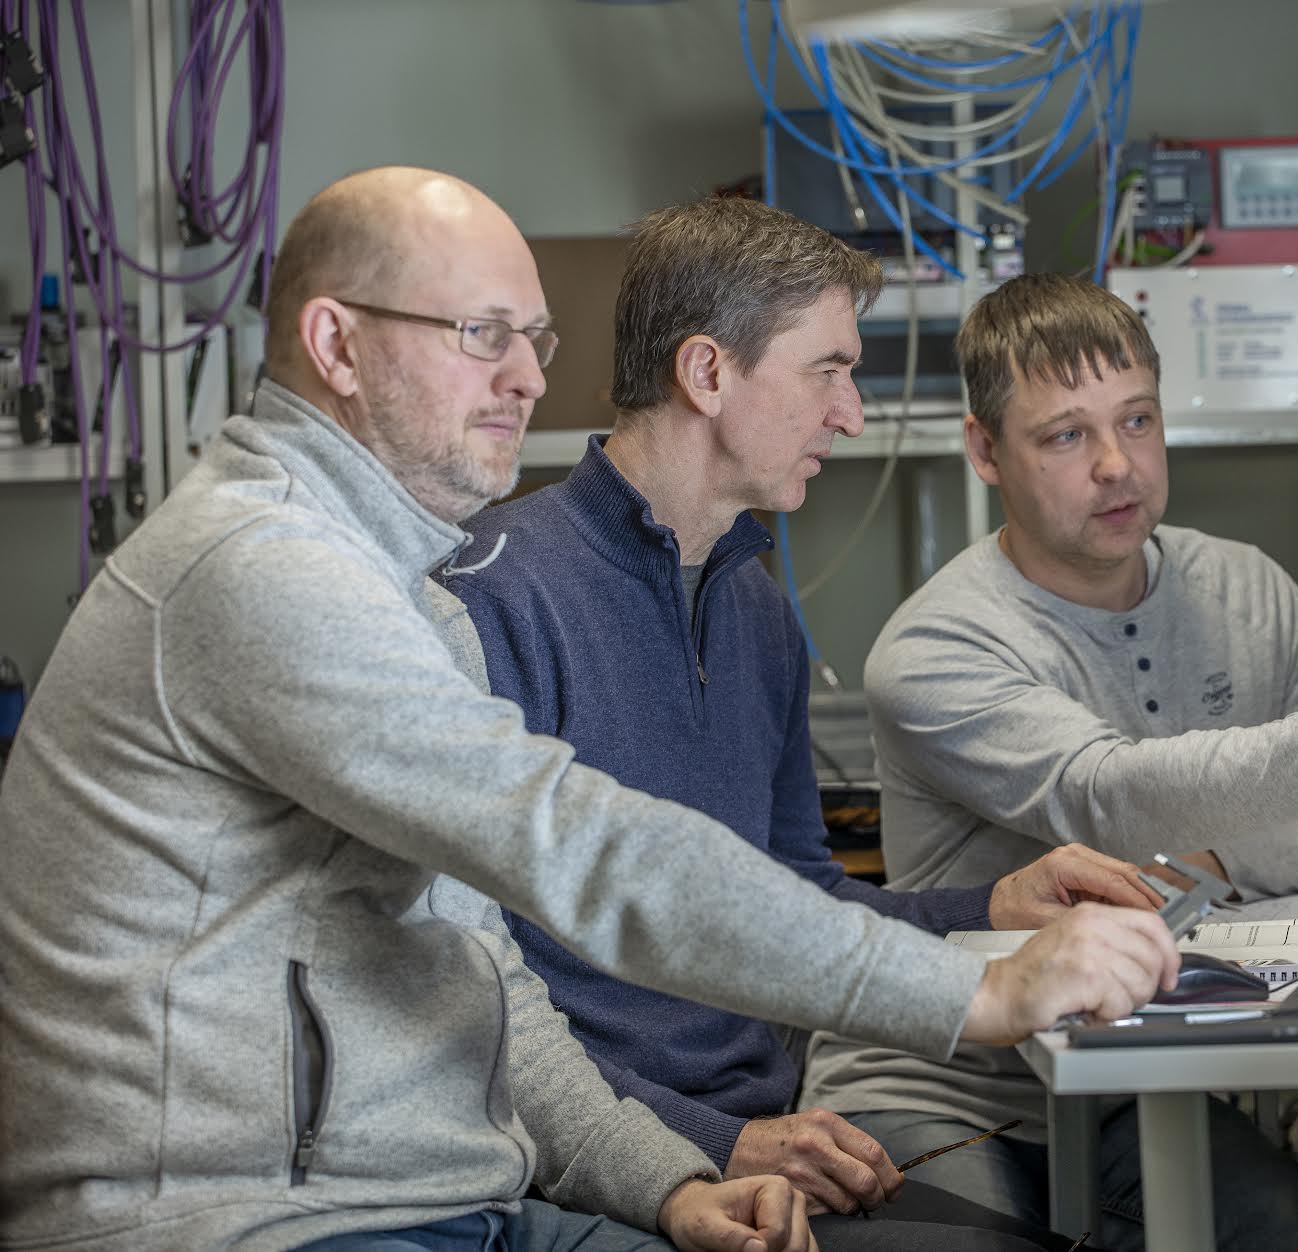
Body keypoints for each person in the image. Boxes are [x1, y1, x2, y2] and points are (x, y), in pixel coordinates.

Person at [0, 171, 1181, 1252]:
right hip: (248, 1219)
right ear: (336, 346)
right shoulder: (260, 568)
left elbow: (484, 978)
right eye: (482, 337)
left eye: (535, 339)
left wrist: (666, 1180)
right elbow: (578, 848)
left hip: (438, 1194)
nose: (526, 376)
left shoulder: (408, 599)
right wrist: (977, 992)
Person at [430, 197, 1160, 1251]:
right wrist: (708, 1145)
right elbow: (475, 991)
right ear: (708, 374)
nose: (851, 411)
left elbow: (795, 898)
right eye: (828, 369)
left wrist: (992, 902)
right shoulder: (496, 599)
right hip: (604, 1160)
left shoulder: (753, 601)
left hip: (766, 1127)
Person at [800, 272, 1298, 1251]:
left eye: (1137, 420)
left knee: (1282, 1226)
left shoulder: (1249, 593)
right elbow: (1114, 799)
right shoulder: (935, 648)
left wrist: (1219, 866)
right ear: (985, 450)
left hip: (1138, 1085)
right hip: (945, 1082)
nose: (1118, 465)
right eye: (1066, 435)